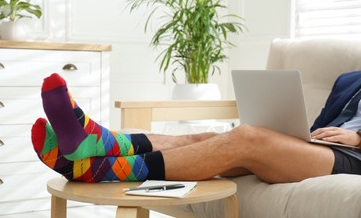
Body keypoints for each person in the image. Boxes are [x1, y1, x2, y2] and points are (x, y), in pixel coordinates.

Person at [31, 71, 361, 184]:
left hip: (352, 159)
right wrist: (300, 133)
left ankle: (101, 169)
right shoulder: (348, 80)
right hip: (321, 148)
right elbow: (319, 125)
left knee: (245, 138)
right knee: (205, 138)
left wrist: (357, 138)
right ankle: (95, 145)